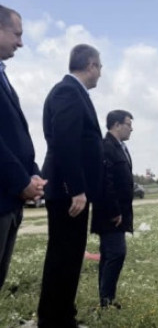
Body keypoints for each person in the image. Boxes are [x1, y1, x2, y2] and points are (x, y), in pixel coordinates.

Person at [38, 44, 104, 328]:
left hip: (71, 191)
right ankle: (54, 320)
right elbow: (65, 142)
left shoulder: (75, 93)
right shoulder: (68, 91)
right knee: (63, 257)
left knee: (69, 256)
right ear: (90, 65)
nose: (100, 73)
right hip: (69, 193)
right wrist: (76, 188)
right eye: (99, 67)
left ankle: (62, 315)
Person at [0, 5, 47, 289]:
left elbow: (17, 136)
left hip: (10, 200)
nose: (21, 42)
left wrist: (33, 174)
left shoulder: (3, 76)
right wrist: (21, 181)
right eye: (16, 34)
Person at [91, 110, 135, 309]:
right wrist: (114, 211)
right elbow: (105, 183)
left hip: (119, 213)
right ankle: (106, 302)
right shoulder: (106, 147)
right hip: (111, 214)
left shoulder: (120, 147)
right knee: (116, 253)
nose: (131, 128)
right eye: (128, 124)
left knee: (110, 255)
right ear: (116, 125)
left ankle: (106, 300)